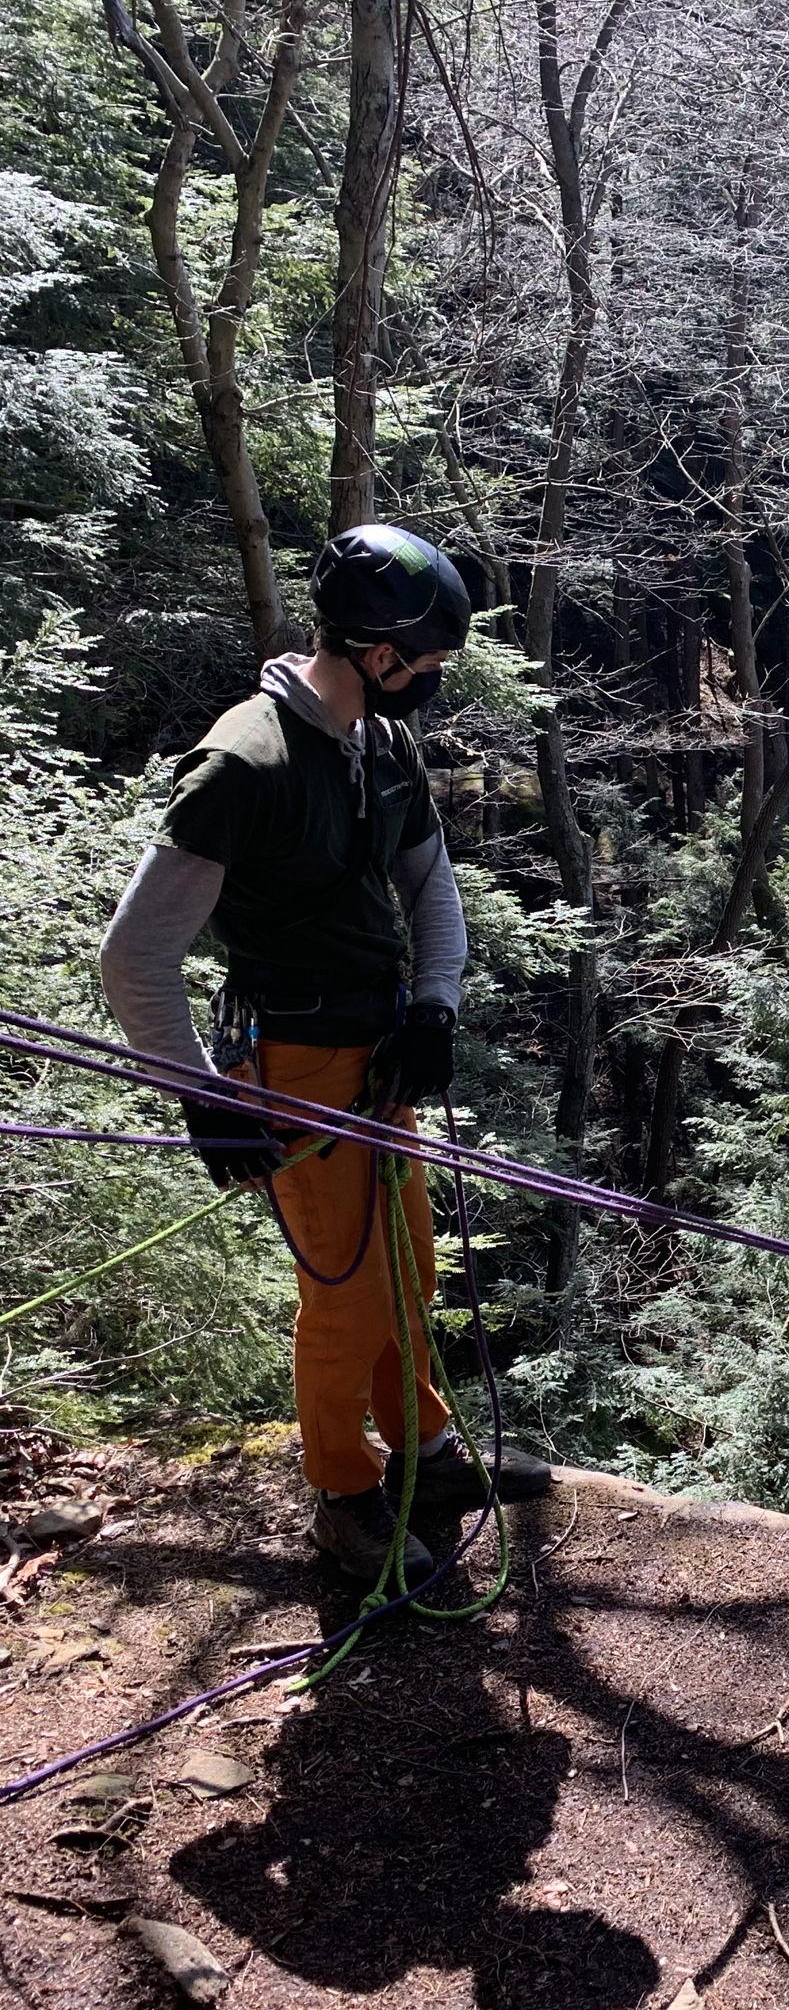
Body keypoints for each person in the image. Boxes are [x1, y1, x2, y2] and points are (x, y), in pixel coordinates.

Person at [99, 523, 552, 1585]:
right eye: (428, 656)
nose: (436, 674)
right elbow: (134, 956)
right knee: (344, 1291)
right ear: (370, 644)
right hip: (293, 1058)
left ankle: (425, 1451)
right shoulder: (242, 765)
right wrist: (201, 1095)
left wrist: (432, 1010)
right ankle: (343, 1495)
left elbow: (430, 888)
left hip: (377, 1047)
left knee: (407, 1261)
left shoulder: (381, 747)